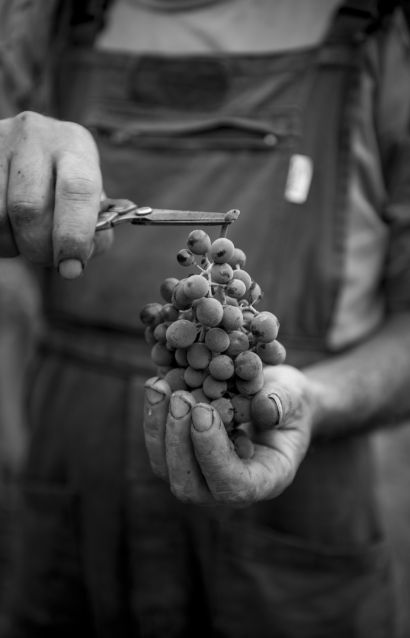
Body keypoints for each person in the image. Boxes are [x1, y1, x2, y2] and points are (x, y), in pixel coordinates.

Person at [1, 1, 410, 636]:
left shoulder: (387, 30)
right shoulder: (37, 19)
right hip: (70, 495)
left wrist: (318, 399)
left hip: (293, 513)